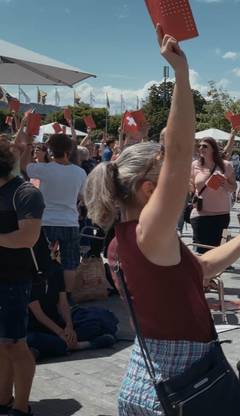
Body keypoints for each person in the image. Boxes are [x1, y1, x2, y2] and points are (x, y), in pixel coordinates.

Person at [84, 28, 240, 415]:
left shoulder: (131, 240)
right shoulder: (148, 233)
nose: (184, 173)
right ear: (147, 189)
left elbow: (200, 269)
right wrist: (182, 73)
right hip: (182, 386)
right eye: (169, 171)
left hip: (166, 379)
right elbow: (180, 149)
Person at [0, 138, 44, 416]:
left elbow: (28, 236)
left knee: (15, 343)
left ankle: (21, 406)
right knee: (1, 343)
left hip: (14, 279)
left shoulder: (24, 193)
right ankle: (3, 399)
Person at [23, 134, 87, 294]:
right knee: (70, 263)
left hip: (46, 221)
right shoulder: (79, 172)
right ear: (69, 150)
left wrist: (28, 144)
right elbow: (83, 196)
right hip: (69, 222)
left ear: (50, 150)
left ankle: (45, 294)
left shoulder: (45, 169)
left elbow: (24, 166)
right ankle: (67, 297)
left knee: (42, 260)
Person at [26, 261, 117, 360]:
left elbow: (63, 303)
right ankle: (83, 345)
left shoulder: (55, 269)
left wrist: (69, 326)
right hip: (35, 329)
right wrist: (60, 333)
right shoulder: (26, 275)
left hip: (56, 323)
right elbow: (40, 316)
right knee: (33, 340)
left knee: (95, 323)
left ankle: (59, 346)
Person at [189, 137, 236, 253]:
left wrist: (224, 183)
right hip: (200, 213)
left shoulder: (226, 165)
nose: (201, 148)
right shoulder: (195, 165)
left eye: (205, 146)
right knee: (201, 251)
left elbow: (233, 187)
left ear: (213, 149)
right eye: (200, 146)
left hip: (221, 214)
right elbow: (191, 186)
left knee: (218, 251)